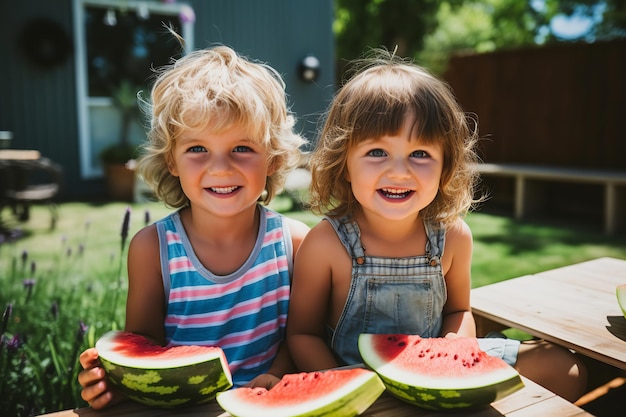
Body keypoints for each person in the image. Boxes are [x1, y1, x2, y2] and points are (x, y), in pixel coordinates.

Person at [286, 49, 587, 402]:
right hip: (356, 383)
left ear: (446, 167)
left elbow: (459, 311)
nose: (399, 171)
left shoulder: (453, 236)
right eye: (377, 153)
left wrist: (453, 350)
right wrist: (342, 385)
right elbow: (302, 335)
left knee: (565, 368)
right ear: (344, 163)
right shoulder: (326, 243)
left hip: (442, 372)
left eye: (420, 154)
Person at [78, 45, 310, 410]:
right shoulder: (151, 249)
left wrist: (279, 373)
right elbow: (143, 347)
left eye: (242, 148)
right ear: (171, 160)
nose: (220, 168)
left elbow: (301, 336)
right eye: (198, 148)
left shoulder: (294, 243)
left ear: (274, 158)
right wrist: (114, 380)